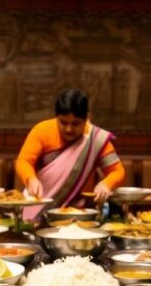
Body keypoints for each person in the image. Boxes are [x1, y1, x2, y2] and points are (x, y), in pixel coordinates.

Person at [14, 89, 125, 221]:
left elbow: (118, 171)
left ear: (87, 118)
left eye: (76, 123)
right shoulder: (42, 131)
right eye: (63, 122)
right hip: (40, 210)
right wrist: (30, 179)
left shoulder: (95, 138)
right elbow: (23, 161)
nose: (69, 129)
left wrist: (106, 184)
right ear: (56, 117)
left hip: (81, 215)